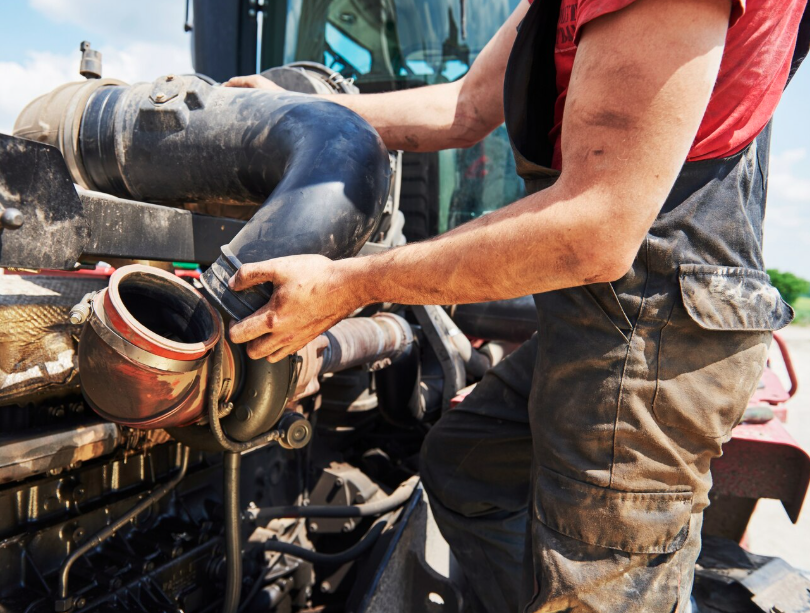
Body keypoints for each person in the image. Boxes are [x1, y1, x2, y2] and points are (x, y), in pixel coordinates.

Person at [224, 0, 808, 610]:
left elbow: (595, 228)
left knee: (600, 588)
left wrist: (352, 284)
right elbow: (465, 106)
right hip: (601, 309)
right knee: (467, 464)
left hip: (654, 326)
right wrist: (292, 111)